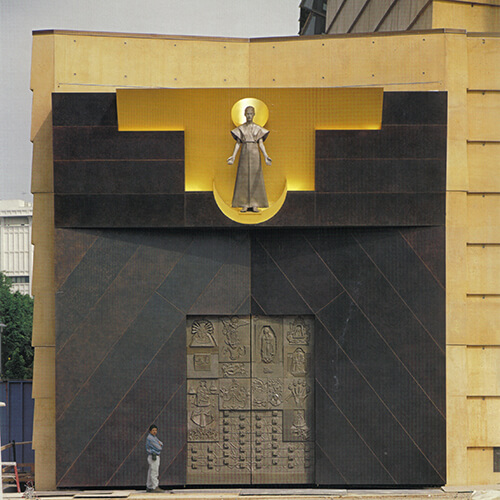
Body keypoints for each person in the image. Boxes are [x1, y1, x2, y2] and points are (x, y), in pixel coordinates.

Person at [227, 106, 272, 212]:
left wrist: (266, 155)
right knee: (243, 179)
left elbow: (260, 143)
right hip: (244, 153)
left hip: (255, 154)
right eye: (247, 114)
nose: (249, 116)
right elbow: (238, 143)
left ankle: (255, 203)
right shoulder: (241, 128)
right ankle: (244, 203)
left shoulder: (258, 128)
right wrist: (233, 156)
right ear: (244, 114)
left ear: (254, 114)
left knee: (256, 178)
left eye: (251, 114)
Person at [145, 424, 164, 493]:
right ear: (150, 431)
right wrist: (159, 444)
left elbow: (161, 443)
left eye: (156, 430)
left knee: (151, 471)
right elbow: (159, 447)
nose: (155, 431)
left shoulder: (154, 437)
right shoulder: (151, 438)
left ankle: (149, 486)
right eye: (153, 430)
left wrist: (159, 443)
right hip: (154, 456)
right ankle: (155, 486)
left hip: (153, 455)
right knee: (154, 471)